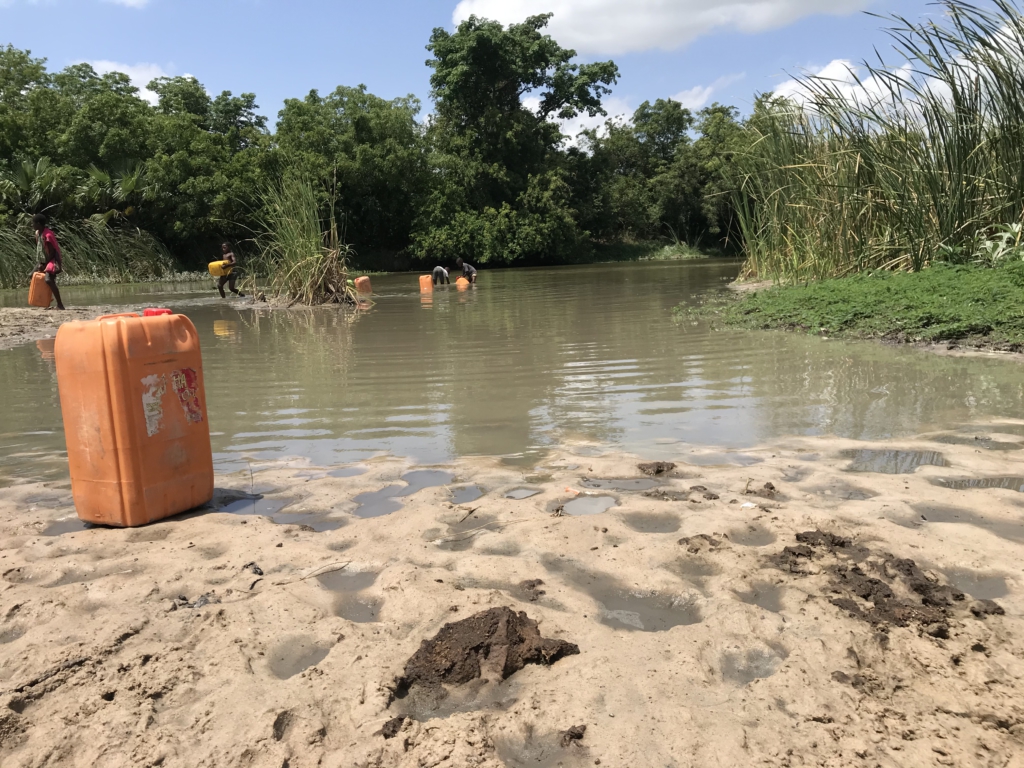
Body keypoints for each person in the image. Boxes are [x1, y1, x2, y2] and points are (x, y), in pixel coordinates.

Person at [32, 213, 66, 310]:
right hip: (44, 259)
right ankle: (45, 299)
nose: (32, 225)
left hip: (52, 259)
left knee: (48, 279)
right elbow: (41, 249)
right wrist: (40, 263)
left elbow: (52, 252)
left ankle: (60, 304)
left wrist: (45, 265)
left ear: (38, 224)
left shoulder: (48, 235)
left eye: (33, 223)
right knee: (32, 275)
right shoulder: (38, 234)